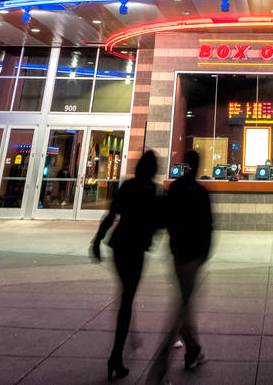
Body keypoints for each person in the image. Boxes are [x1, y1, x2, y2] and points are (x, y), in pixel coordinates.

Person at [91, 149, 161, 380]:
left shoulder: (128, 186)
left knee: (126, 294)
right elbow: (157, 220)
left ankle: (128, 337)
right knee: (127, 298)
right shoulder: (152, 190)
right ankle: (116, 355)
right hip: (136, 248)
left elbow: (111, 215)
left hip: (120, 245)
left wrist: (97, 240)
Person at [149, 149, 211, 382]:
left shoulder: (175, 188)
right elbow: (207, 226)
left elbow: (164, 218)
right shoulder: (200, 192)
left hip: (177, 254)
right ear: (199, 165)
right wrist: (204, 254)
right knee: (181, 309)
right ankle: (159, 370)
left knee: (185, 304)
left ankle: (193, 350)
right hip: (193, 257)